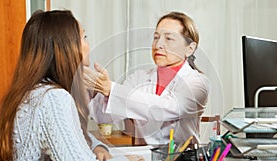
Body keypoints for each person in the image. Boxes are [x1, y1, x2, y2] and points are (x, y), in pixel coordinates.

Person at [0, 10, 146, 161]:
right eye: (84, 36)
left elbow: (77, 138)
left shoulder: (35, 92)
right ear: (67, 47)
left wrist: (98, 148)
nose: (88, 44)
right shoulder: (53, 99)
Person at [85, 12, 210, 145]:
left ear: (189, 49)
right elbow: (103, 117)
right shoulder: (138, 78)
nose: (158, 44)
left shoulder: (198, 83)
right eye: (156, 37)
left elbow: (166, 108)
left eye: (169, 38)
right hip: (146, 159)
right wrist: (94, 90)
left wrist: (111, 89)